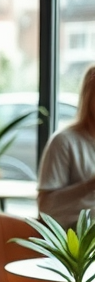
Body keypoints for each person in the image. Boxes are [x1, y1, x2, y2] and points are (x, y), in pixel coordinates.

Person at [38, 65, 95, 227]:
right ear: (89, 97)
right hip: (75, 244)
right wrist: (90, 185)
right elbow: (45, 208)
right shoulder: (64, 142)